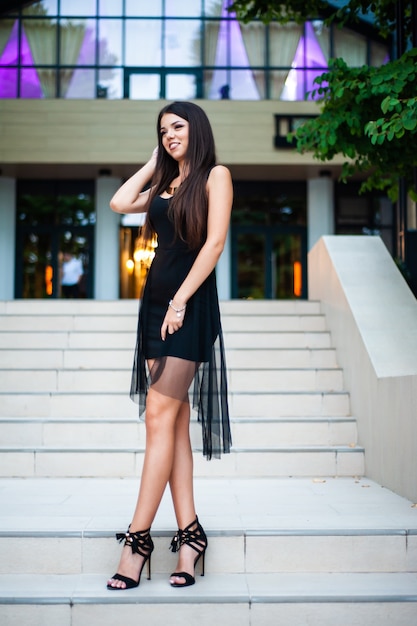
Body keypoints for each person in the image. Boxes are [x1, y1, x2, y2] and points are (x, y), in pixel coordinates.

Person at [107, 101, 233, 590]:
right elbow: (120, 202)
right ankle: (190, 536)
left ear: (197, 129)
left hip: (188, 306)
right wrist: (156, 161)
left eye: (178, 127)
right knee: (173, 424)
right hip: (154, 306)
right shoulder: (166, 183)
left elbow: (215, 243)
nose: (170, 135)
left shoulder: (214, 176)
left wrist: (180, 301)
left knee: (158, 418)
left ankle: (137, 540)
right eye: (163, 130)